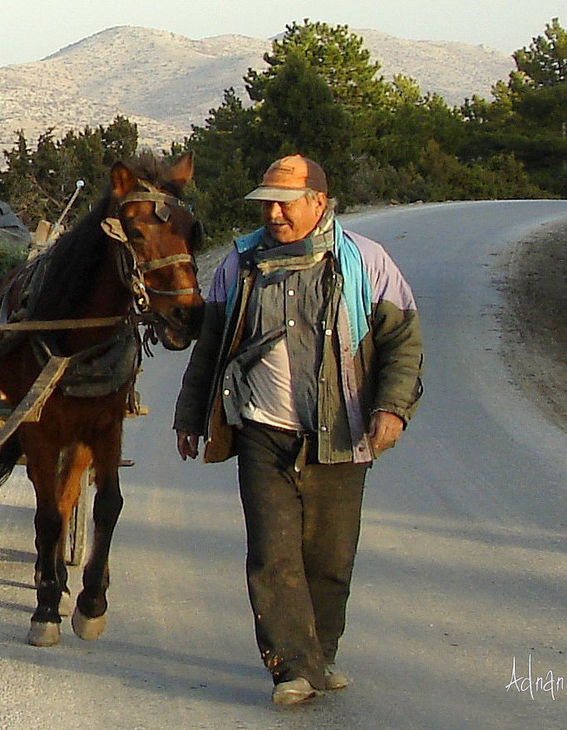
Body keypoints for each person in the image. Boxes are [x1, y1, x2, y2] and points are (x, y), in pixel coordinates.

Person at [173, 155, 423, 706]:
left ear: (318, 202)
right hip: (263, 430)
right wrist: (190, 416)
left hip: (342, 430)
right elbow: (211, 348)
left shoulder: (365, 263)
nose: (275, 213)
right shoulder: (239, 265)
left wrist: (392, 409)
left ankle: (320, 653)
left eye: (285, 203)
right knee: (271, 553)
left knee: (330, 557)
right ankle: (291, 666)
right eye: (267, 203)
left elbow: (404, 342)